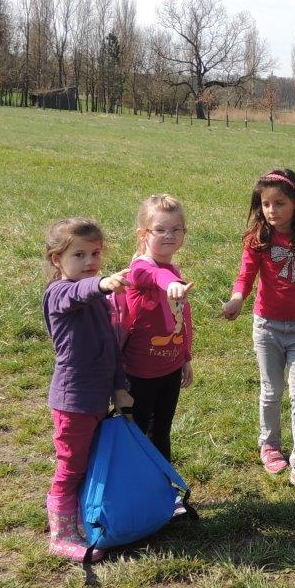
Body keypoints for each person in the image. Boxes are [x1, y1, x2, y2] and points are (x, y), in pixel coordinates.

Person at [221, 169, 295, 497]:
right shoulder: (257, 237)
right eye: (266, 204)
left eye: (280, 203)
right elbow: (245, 276)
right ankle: (269, 446)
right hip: (267, 328)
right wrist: (236, 300)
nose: (272, 210)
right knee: (271, 392)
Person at [41, 217, 130, 563]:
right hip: (73, 401)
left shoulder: (98, 298)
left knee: (88, 462)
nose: (89, 261)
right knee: (70, 466)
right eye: (78, 254)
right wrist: (104, 284)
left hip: (97, 397)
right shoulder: (60, 293)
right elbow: (77, 292)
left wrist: (120, 387)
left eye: (94, 253)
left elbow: (110, 347)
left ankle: (81, 518)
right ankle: (61, 535)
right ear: (56, 259)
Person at [121, 194, 193, 462]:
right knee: (137, 433)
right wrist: (171, 282)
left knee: (161, 432)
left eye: (176, 229)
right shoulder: (140, 268)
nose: (169, 235)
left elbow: (182, 318)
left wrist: (185, 357)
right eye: (160, 229)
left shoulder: (172, 267)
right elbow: (155, 277)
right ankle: (136, 490)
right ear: (143, 234)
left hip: (170, 369)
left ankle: (165, 491)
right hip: (140, 373)